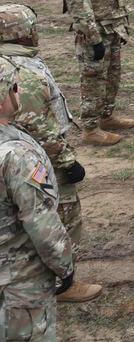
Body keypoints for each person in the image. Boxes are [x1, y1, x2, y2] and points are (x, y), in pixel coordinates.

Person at [0, 5, 101, 303]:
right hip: (38, 159)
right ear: (22, 32)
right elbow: (36, 123)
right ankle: (64, 281)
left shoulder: (12, 63)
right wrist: (67, 161)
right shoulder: (20, 71)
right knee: (63, 214)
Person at [0, 56, 76, 340]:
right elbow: (41, 223)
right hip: (19, 279)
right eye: (12, 86)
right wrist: (64, 265)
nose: (18, 91)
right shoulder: (16, 156)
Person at [61, 0, 134, 147]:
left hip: (112, 29)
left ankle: (106, 115)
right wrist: (94, 40)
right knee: (94, 79)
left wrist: (121, 27)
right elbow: (79, 7)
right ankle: (90, 127)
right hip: (95, 33)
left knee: (112, 76)